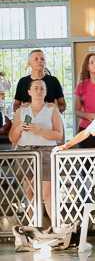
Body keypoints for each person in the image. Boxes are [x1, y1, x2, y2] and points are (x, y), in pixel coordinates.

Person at [9, 78, 64, 222]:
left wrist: (39, 130)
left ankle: (57, 226)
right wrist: (19, 128)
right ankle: (32, 226)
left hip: (46, 152)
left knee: (47, 193)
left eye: (42, 88)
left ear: (46, 92)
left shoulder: (52, 109)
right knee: (29, 192)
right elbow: (13, 138)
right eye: (36, 88)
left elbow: (59, 135)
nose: (39, 91)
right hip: (26, 152)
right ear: (29, 92)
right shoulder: (21, 111)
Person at [13, 49, 66, 114]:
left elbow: (63, 105)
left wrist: (53, 110)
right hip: (28, 117)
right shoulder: (22, 82)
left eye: (42, 59)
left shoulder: (53, 81)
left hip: (49, 118)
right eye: (36, 59)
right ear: (29, 63)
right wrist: (25, 110)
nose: (40, 61)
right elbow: (16, 106)